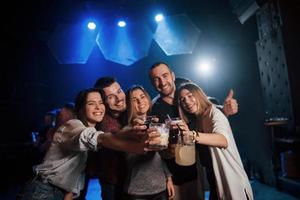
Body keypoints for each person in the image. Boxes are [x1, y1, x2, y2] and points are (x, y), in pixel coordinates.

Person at [18, 88, 160, 200]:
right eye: (91, 104)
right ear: (80, 109)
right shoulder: (72, 125)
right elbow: (100, 139)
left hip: (59, 192)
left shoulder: (92, 130)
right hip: (42, 190)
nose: (98, 107)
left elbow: (108, 137)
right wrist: (137, 147)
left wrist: (131, 131)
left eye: (100, 103)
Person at [149, 61, 238, 200]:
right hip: (178, 175)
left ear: (172, 76)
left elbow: (205, 109)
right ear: (152, 83)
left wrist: (224, 111)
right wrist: (169, 156)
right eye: (156, 79)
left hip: (206, 165)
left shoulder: (185, 90)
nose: (162, 81)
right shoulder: (155, 109)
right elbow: (158, 151)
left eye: (165, 75)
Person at [177, 83, 253, 199]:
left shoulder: (215, 113)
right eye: (182, 100)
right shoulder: (198, 119)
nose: (187, 101)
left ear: (199, 95)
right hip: (214, 182)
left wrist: (192, 135)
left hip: (231, 181)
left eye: (190, 95)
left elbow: (222, 140)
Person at [124, 85, 175, 200]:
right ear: (129, 104)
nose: (140, 101)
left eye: (142, 97)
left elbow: (160, 157)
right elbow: (129, 160)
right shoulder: (128, 130)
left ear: (147, 98)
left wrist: (168, 177)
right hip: (138, 191)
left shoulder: (157, 125)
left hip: (160, 187)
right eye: (134, 99)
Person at [90, 77, 129, 200]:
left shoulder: (127, 113)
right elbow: (120, 138)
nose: (119, 98)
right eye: (111, 97)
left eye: (119, 91)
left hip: (130, 180)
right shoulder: (105, 123)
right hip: (114, 184)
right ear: (104, 102)